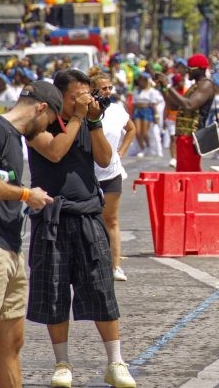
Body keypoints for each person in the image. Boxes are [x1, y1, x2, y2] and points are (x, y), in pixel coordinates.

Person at [26, 70, 136, 388]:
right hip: (53, 218)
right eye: (75, 97)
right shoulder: (39, 123)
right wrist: (76, 118)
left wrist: (94, 122)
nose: (82, 102)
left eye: (86, 96)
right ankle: (63, 363)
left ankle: (115, 361)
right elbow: (56, 150)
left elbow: (105, 160)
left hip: (88, 215)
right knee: (54, 292)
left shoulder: (88, 122)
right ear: (59, 96)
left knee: (101, 289)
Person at [0, 82, 57, 388]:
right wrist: (24, 194)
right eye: (49, 121)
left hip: (9, 246)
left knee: (13, 341)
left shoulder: (13, 137)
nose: (45, 130)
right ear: (41, 108)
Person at [90, 69, 135, 283]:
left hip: (111, 172)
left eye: (110, 88)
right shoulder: (85, 110)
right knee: (91, 220)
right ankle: (93, 264)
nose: (108, 92)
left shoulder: (117, 110)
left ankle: (115, 265)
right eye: (103, 89)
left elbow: (131, 129)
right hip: (89, 173)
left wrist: (122, 151)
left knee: (111, 219)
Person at [154, 54, 215, 173]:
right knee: (183, 173)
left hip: (192, 137)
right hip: (184, 136)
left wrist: (168, 85)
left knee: (189, 174)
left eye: (190, 69)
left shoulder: (206, 84)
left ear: (200, 69)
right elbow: (173, 106)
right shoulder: (195, 86)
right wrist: (162, 88)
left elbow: (189, 105)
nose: (187, 71)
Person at [130, 73, 160, 156]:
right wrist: (131, 115)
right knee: (137, 132)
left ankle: (148, 146)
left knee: (144, 132)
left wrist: (156, 115)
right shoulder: (136, 91)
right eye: (140, 79)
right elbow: (134, 104)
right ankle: (142, 148)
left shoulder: (151, 91)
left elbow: (153, 105)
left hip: (147, 111)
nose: (141, 82)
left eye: (143, 80)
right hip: (138, 111)